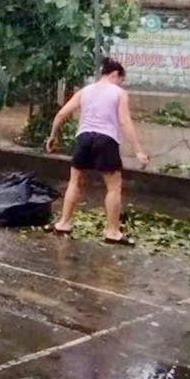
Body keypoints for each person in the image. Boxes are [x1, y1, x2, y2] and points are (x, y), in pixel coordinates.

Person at [45, 58, 150, 245]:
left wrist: (52, 136)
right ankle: (113, 232)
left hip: (83, 138)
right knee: (113, 187)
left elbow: (61, 114)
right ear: (115, 74)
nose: (120, 83)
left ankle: (63, 223)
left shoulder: (85, 91)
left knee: (75, 181)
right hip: (106, 140)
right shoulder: (119, 93)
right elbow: (125, 122)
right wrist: (138, 150)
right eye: (121, 79)